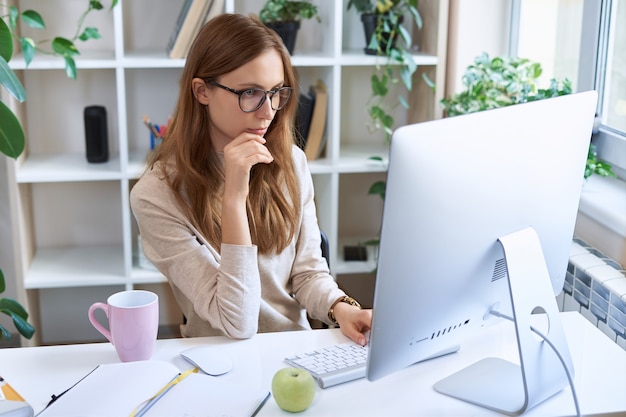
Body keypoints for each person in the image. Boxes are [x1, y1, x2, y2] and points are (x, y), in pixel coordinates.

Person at [130, 13, 372, 347]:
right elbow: (238, 321)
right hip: (217, 356)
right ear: (202, 91)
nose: (268, 111)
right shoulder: (156, 195)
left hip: (293, 350)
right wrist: (234, 198)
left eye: (275, 92)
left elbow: (308, 274)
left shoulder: (292, 163)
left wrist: (341, 308)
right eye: (250, 93)